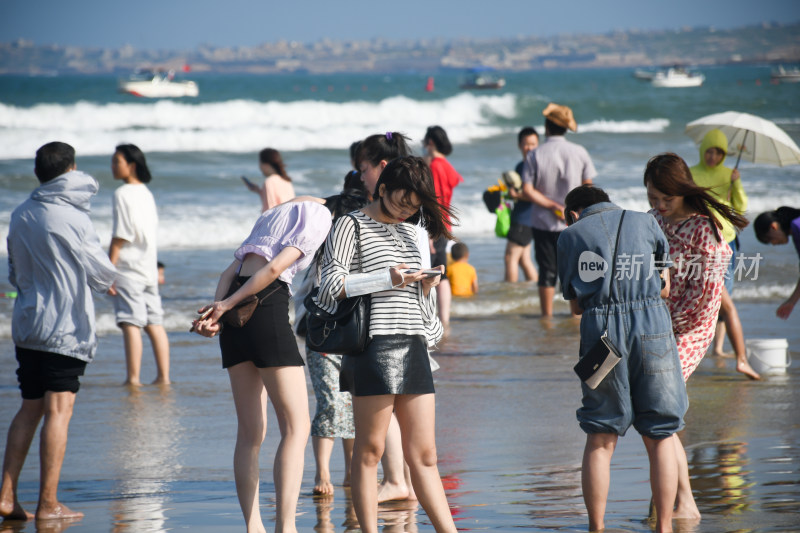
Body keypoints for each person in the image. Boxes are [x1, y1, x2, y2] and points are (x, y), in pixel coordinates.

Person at [314, 156, 458, 533]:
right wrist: (385, 278)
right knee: (370, 451)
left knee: (425, 456)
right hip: (372, 347)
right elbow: (329, 289)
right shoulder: (350, 225)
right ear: (381, 188)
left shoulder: (413, 233)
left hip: (414, 346)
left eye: (413, 206)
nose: (405, 211)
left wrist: (427, 290)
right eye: (400, 202)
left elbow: (431, 328)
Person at [191, 196, 334, 532]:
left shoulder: (272, 215)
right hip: (265, 307)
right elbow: (273, 270)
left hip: (236, 313)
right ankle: (286, 527)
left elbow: (231, 270)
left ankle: (253, 526)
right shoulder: (321, 215)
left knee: (250, 433)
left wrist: (218, 311)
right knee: (296, 428)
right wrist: (225, 305)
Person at [557, 184, 687, 533]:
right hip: (653, 326)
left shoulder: (570, 235)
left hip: (601, 334)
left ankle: (597, 528)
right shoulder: (647, 223)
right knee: (660, 431)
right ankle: (664, 527)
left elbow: (574, 304)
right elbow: (665, 287)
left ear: (573, 213)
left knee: (600, 433)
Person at [1, 142, 116, 521]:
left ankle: (6, 496)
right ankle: (48, 504)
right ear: (70, 170)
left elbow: (15, 276)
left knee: (29, 407)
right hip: (64, 326)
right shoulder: (73, 217)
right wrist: (115, 283)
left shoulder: (19, 215)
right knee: (58, 410)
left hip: (27, 323)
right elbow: (100, 272)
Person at [644, 153, 756, 521]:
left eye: (666, 198)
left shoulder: (705, 231)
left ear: (682, 190)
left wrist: (668, 324)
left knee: (660, 412)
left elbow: (706, 300)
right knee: (659, 415)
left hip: (690, 328)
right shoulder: (654, 220)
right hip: (657, 323)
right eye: (652, 198)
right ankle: (671, 499)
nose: (659, 206)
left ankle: (684, 503)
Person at [294, 174, 370, 497]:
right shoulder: (319, 256)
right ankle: (323, 471)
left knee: (351, 404)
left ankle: (352, 470)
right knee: (330, 403)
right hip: (324, 335)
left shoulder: (357, 249)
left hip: (353, 335)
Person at [521, 103, 596, 317]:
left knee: (547, 270)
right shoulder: (579, 152)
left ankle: (547, 316)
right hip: (574, 222)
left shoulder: (534, 155)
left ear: (546, 127)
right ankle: (575, 316)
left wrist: (552, 205)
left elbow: (527, 190)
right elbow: (588, 187)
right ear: (565, 128)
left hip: (542, 221)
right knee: (573, 271)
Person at [108, 144, 171, 386]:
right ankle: (163, 378)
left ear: (131, 165)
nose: (112, 166)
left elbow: (121, 236)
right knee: (155, 322)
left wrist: (108, 270)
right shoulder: (146, 192)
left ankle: (133, 379)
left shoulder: (122, 193)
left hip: (128, 268)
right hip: (148, 269)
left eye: (117, 161)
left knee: (130, 322)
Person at [689, 129, 749, 358]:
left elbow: (741, 208)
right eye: (709, 151)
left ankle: (718, 347)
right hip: (700, 240)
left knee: (725, 291)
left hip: (727, 239)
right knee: (698, 290)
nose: (713, 156)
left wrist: (737, 183)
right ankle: (699, 340)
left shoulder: (730, 174)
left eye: (718, 152)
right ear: (703, 150)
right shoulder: (691, 173)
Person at [423, 126, 463, 327]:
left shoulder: (435, 166)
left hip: (434, 225)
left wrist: (429, 233)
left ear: (430, 142)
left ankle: (430, 321)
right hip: (445, 223)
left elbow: (433, 200)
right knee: (442, 272)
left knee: (429, 272)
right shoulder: (447, 165)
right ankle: (444, 320)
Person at [504, 127, 540, 283]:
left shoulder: (533, 166)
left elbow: (536, 194)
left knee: (510, 257)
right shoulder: (521, 165)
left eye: (533, 144)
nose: (530, 147)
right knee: (524, 260)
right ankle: (534, 292)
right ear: (519, 145)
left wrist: (516, 195)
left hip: (524, 220)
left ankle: (509, 294)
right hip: (527, 218)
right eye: (526, 144)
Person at [754, 207, 800, 319]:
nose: (774, 244)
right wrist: (791, 302)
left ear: (773, 226)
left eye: (769, 239)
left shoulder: (797, 226)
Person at [243, 148, 296, 213]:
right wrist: (259, 191)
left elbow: (269, 211)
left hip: (278, 221)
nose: (260, 167)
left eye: (260, 163)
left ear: (266, 164)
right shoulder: (286, 180)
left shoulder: (269, 182)